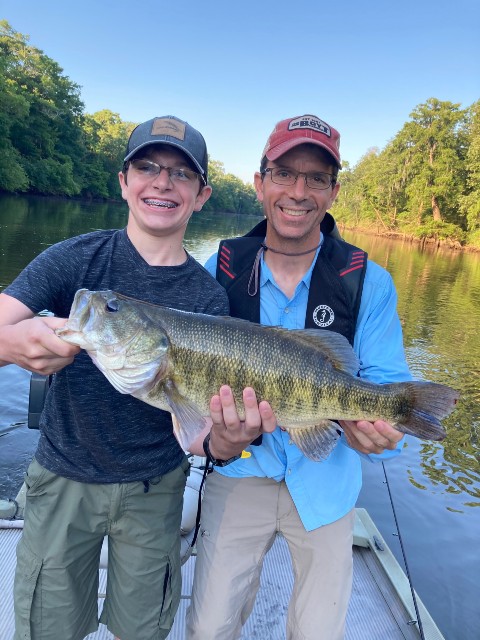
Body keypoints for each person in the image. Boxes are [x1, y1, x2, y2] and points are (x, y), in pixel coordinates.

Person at [0, 115, 230, 640]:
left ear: (201, 196)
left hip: (157, 487)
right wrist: (12, 345)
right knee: (47, 628)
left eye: (181, 174)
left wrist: (226, 440)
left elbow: (200, 436)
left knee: (142, 629)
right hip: (63, 479)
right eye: (147, 166)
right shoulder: (75, 260)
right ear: (123, 181)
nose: (162, 182)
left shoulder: (208, 299)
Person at [185, 114, 411, 640]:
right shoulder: (215, 268)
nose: (298, 191)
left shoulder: (367, 282)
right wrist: (214, 441)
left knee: (318, 630)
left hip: (326, 482)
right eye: (284, 173)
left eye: (316, 178)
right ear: (260, 183)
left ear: (333, 191)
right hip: (239, 475)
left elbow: (385, 382)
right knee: (210, 625)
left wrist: (383, 432)